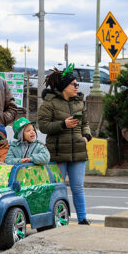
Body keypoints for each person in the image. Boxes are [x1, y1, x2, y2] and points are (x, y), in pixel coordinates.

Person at [37, 64, 92, 225]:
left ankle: (82, 219)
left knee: (78, 188)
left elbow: (85, 123)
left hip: (78, 152)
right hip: (58, 153)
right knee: (58, 189)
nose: (77, 87)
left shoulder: (79, 103)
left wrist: (86, 136)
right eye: (73, 84)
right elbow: (43, 126)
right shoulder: (50, 103)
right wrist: (63, 124)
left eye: (77, 84)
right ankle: (58, 219)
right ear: (64, 87)